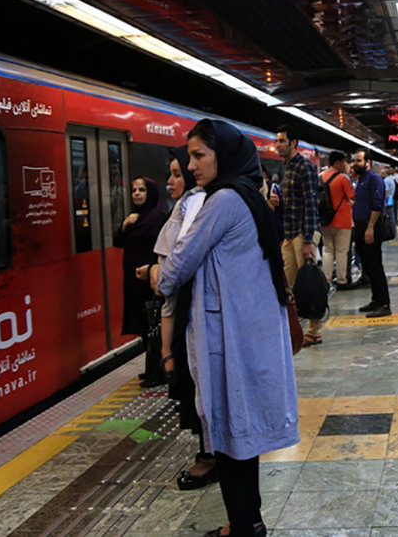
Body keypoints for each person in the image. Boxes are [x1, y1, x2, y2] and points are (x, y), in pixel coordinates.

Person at [158, 119, 298, 537]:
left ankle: (244, 527)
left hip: (228, 338)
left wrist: (154, 272)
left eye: (199, 155)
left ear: (224, 155)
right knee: (240, 435)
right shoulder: (248, 194)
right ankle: (247, 521)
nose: (191, 164)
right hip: (245, 331)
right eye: (190, 156)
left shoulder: (221, 202)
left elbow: (173, 271)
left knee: (229, 434)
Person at [139, 146, 216, 490]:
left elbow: (168, 281)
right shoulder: (184, 210)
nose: (172, 179)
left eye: (178, 173)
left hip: (193, 317)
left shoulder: (200, 209)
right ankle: (210, 453)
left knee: (201, 390)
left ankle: (211, 457)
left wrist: (157, 271)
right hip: (185, 316)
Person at [118, 176, 167, 387]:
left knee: (154, 325)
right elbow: (119, 242)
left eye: (142, 190)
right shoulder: (134, 218)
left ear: (151, 193)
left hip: (150, 281)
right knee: (145, 326)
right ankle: (151, 369)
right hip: (134, 281)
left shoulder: (157, 218)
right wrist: (124, 225)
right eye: (134, 190)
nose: (137, 193)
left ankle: (160, 371)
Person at [312, 150, 354, 347]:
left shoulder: (321, 176)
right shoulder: (342, 178)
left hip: (325, 221)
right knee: (342, 251)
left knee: (328, 250)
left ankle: (326, 279)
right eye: (344, 161)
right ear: (338, 162)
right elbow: (351, 197)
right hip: (343, 220)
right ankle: (343, 279)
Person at [272, 125, 319, 290]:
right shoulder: (288, 168)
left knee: (307, 283)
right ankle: (296, 316)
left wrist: (308, 240)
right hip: (289, 234)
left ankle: (315, 316)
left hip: (302, 233)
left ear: (293, 143)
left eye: (282, 141)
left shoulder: (304, 167)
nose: (278, 145)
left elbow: (311, 204)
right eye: (276, 141)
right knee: (289, 284)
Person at [351, 150, 390, 317]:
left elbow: (377, 204)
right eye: (354, 160)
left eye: (358, 160)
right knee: (367, 266)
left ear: (368, 162)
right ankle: (375, 300)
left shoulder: (374, 179)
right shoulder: (361, 180)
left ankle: (384, 304)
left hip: (370, 228)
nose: (355, 164)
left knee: (375, 266)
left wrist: (370, 227)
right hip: (360, 227)